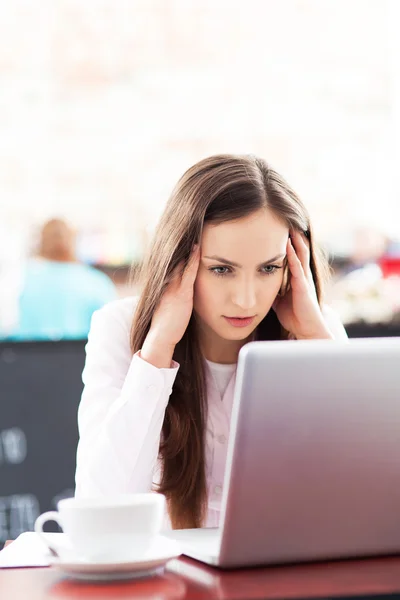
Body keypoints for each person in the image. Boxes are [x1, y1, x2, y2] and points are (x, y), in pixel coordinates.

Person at [75, 154, 347, 530]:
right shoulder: (121, 328)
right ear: (177, 261)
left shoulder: (319, 333)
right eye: (221, 269)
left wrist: (317, 342)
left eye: (269, 268)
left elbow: (352, 499)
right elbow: (100, 508)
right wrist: (157, 350)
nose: (247, 300)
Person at [8, 219, 117, 340]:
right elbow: (110, 333)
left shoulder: (19, 280)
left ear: (41, 243)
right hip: (81, 357)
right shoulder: (98, 282)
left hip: (26, 356)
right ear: (72, 242)